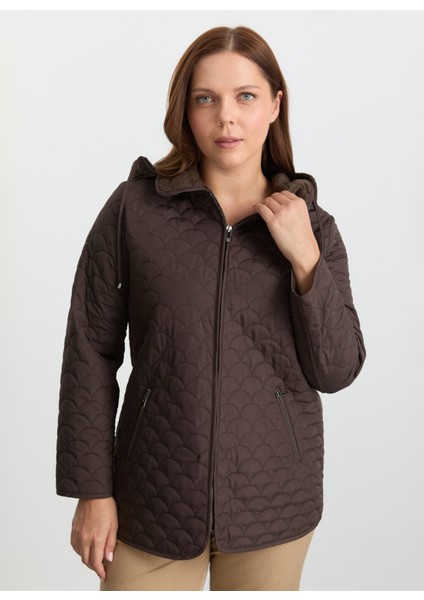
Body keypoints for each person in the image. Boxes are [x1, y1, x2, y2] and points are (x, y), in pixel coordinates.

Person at [56, 25, 366, 591]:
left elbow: (337, 370)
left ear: (275, 105)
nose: (227, 117)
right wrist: (92, 490)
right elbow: (90, 349)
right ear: (186, 109)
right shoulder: (134, 211)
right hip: (152, 494)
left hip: (273, 501)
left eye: (246, 96)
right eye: (206, 98)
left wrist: (306, 262)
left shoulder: (314, 227)